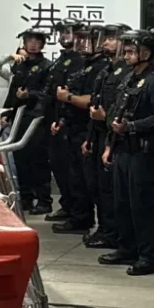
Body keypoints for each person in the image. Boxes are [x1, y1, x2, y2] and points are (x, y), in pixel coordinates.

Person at [98, 30, 154, 276]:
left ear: (146, 52)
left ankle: (149, 256)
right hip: (122, 150)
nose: (126, 55)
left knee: (143, 205)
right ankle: (126, 248)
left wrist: (133, 127)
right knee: (122, 203)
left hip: (143, 152)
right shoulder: (127, 78)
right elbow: (116, 111)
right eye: (125, 51)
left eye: (131, 51)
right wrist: (110, 144)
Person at [83, 23, 131, 250]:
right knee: (98, 187)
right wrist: (90, 138)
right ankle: (104, 227)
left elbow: (121, 109)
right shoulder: (105, 70)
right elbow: (96, 104)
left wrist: (105, 120)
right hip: (99, 134)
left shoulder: (127, 72)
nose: (104, 43)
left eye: (111, 38)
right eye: (105, 38)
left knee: (111, 190)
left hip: (116, 137)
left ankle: (113, 232)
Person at [52, 23, 98, 234]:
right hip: (71, 125)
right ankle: (78, 217)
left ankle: (84, 219)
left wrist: (68, 98)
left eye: (85, 39)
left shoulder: (93, 65)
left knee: (88, 181)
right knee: (74, 177)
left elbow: (90, 100)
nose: (82, 44)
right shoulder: (83, 64)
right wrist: (62, 118)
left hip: (86, 128)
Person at [44, 19, 89, 224]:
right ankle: (67, 205)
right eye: (61, 33)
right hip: (55, 119)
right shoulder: (61, 59)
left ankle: (77, 212)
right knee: (60, 168)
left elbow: (74, 92)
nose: (64, 36)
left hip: (72, 121)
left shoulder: (80, 60)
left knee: (74, 173)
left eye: (68, 32)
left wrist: (63, 119)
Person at [4, 27, 53, 215]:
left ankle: (43, 200)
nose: (33, 44)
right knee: (20, 158)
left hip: (38, 118)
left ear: (42, 44)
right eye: (29, 40)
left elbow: (48, 94)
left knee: (38, 159)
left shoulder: (47, 66)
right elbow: (12, 91)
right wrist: (6, 113)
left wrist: (30, 95)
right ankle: (25, 198)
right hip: (19, 117)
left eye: (37, 41)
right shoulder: (20, 65)